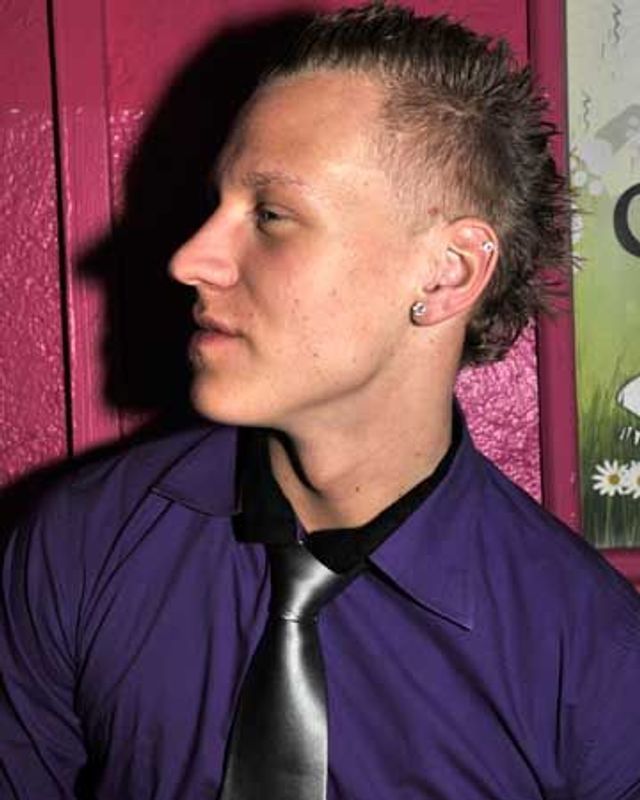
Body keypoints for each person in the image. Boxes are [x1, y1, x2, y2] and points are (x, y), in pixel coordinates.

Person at [2, 3, 640, 799]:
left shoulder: (594, 664)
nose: (191, 259)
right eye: (216, 207)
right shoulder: (82, 546)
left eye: (271, 215)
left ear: (446, 273)